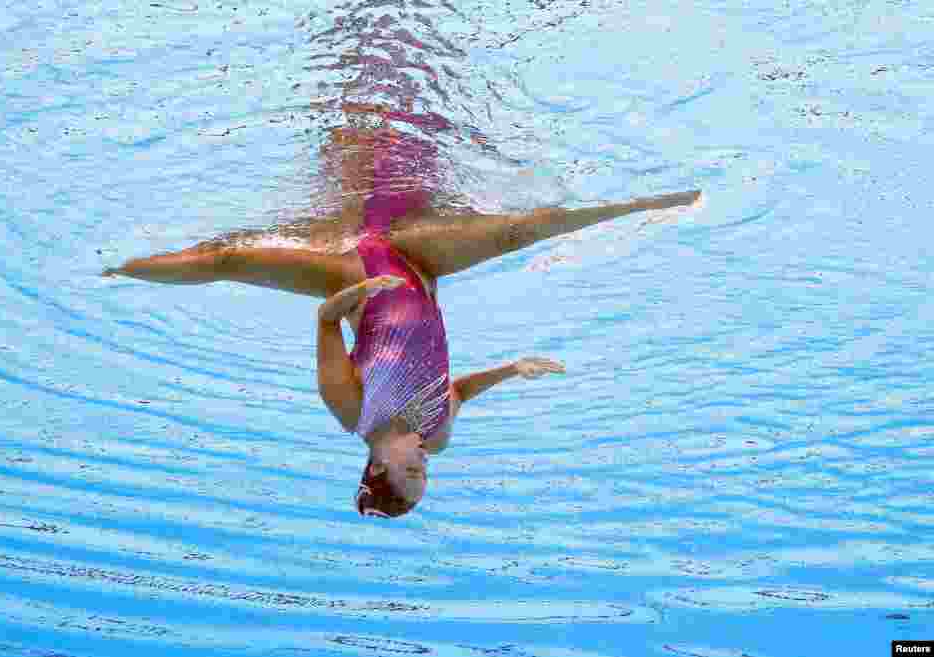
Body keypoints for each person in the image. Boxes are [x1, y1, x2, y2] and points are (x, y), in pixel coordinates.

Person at [103, 103, 700, 518]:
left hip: (353, 271)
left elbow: (325, 320)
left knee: (227, 259)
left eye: (410, 473)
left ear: (376, 468)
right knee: (520, 230)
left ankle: (120, 268)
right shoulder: (435, 437)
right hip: (423, 267)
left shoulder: (351, 408)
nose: (423, 466)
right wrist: (511, 370)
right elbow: (455, 391)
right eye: (424, 476)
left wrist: (359, 293)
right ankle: (653, 203)